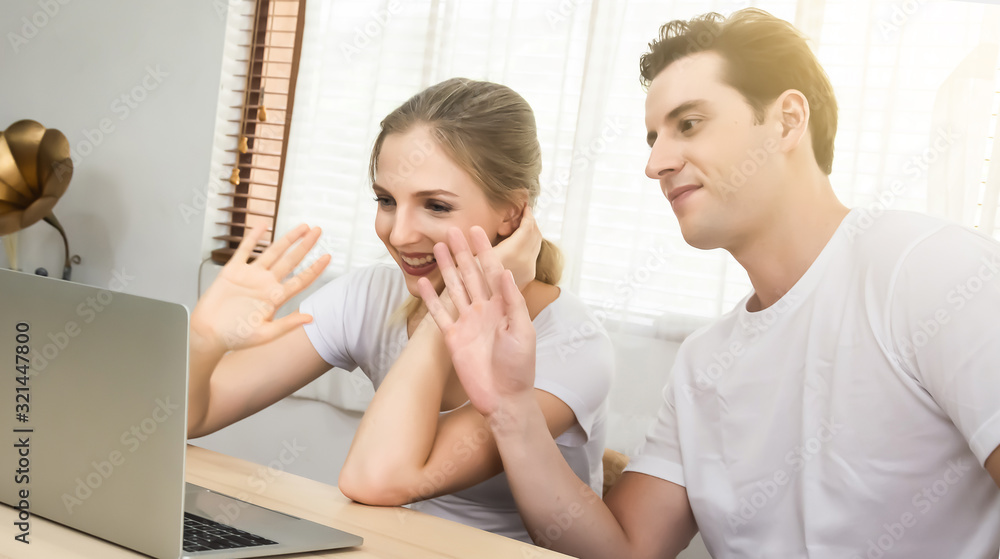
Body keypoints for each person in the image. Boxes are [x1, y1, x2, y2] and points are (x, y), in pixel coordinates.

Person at [417, 8, 1000, 559]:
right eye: (653, 138)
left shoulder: (929, 270)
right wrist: (512, 408)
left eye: (689, 124)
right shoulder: (706, 363)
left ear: (787, 120)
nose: (656, 164)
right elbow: (624, 549)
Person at [185, 77, 615, 543]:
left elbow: (374, 480)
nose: (399, 234)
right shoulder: (371, 294)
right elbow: (188, 417)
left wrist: (448, 309)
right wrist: (203, 342)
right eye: (387, 200)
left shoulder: (569, 343)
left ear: (511, 215)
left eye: (436, 206)